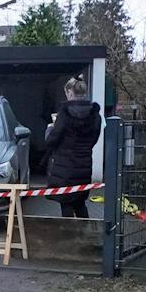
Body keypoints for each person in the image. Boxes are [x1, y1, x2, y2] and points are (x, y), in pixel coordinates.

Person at [42, 78, 101, 219]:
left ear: (69, 92)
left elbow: (52, 140)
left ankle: (69, 238)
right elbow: (94, 139)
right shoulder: (95, 115)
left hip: (65, 168)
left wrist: (49, 129)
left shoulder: (65, 114)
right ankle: (86, 236)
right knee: (80, 204)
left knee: (66, 204)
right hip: (85, 166)